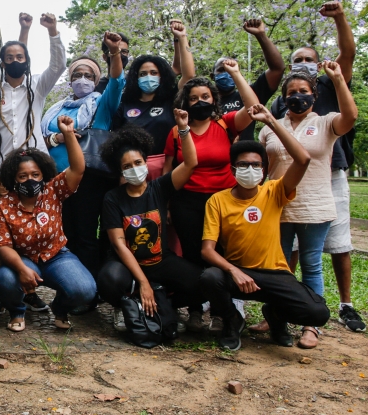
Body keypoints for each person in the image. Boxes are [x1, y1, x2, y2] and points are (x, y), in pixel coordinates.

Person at [199, 104, 330, 351]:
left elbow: (303, 159)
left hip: (275, 274)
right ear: (233, 169)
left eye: (256, 165)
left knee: (317, 312)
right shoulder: (218, 200)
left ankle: (276, 315)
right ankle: (231, 320)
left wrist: (271, 121)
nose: (250, 169)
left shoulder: (274, 191)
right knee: (210, 277)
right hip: (238, 273)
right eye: (243, 165)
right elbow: (208, 250)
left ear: (264, 169)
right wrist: (234, 271)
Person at [269, 0, 364, 334]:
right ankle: (280, 315)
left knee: (330, 250)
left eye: (310, 59)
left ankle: (332, 311)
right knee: (282, 259)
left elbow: (348, 54)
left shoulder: (326, 93)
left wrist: (339, 18)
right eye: (299, 60)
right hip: (283, 195)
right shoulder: (276, 117)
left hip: (326, 179)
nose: (305, 65)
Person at [259, 61, 357, 348]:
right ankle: (277, 316)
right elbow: (266, 167)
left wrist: (338, 79)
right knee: (279, 267)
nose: (297, 96)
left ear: (314, 95)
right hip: (279, 206)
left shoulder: (326, 122)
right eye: (291, 91)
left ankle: (311, 325)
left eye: (303, 91)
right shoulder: (269, 129)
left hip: (315, 207)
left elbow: (350, 116)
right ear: (284, 97)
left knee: (311, 265)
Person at [0, 12, 67, 316]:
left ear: (27, 60)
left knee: (37, 231)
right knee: (0, 234)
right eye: (9, 57)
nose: (16, 60)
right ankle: (3, 293)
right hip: (0, 174)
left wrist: (52, 31)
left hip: (36, 174)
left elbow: (57, 66)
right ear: (3, 62)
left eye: (20, 56)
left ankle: (31, 292)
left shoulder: (36, 88)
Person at [162, 61, 259, 332]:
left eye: (205, 96)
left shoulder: (226, 124)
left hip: (223, 202)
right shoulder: (176, 131)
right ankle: (194, 310)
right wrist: (167, 205)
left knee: (222, 255)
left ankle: (221, 312)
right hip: (186, 202)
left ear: (213, 99)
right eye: (193, 98)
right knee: (193, 257)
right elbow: (169, 169)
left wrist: (237, 74)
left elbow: (252, 108)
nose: (199, 101)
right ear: (186, 102)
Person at [97, 117, 204, 334]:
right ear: (120, 171)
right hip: (127, 264)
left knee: (203, 282)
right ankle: (126, 305)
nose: (134, 169)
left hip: (159, 260)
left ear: (146, 163)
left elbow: (191, 162)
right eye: (127, 166)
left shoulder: (159, 188)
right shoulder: (113, 198)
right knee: (110, 278)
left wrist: (183, 129)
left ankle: (163, 304)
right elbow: (119, 245)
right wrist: (143, 282)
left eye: (137, 163)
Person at [0, 116, 97, 332]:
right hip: (24, 259)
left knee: (85, 289)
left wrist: (68, 134)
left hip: (56, 256)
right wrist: (21, 269)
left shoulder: (52, 191)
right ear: (13, 179)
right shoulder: (3, 205)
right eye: (22, 176)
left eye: (35, 174)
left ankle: (59, 308)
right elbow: (2, 245)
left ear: (43, 175)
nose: (30, 180)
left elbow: (78, 169)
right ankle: (17, 310)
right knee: (5, 278)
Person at [39, 34, 124, 278]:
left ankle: (89, 287)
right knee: (63, 232)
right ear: (70, 79)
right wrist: (58, 138)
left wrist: (114, 51)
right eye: (77, 75)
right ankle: (70, 283)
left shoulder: (101, 104)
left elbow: (117, 80)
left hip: (89, 180)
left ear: (96, 80)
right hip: (57, 180)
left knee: (85, 233)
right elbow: (43, 140)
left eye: (88, 75)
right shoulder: (58, 107)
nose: (82, 80)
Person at [112, 21, 195, 179]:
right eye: (143, 74)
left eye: (153, 72)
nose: (148, 77)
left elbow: (189, 75)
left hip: (168, 169)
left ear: (161, 76)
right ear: (135, 78)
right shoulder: (125, 104)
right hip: (133, 171)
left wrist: (182, 37)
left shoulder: (172, 99)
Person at [210, 19, 285, 141]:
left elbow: (277, 69)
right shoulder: (204, 101)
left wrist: (261, 35)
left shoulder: (251, 96)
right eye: (221, 70)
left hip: (245, 157)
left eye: (231, 70)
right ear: (212, 76)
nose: (227, 74)